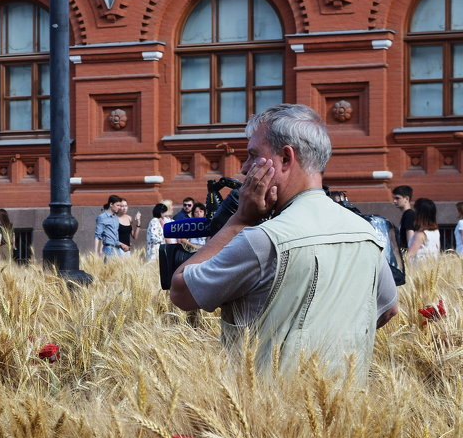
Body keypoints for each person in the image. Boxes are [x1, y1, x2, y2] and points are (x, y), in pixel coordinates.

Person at [170, 104, 397, 382]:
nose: (243, 168)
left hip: (268, 414)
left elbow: (181, 291)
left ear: (286, 158)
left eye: (253, 155)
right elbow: (388, 309)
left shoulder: (263, 239)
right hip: (348, 410)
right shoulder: (367, 233)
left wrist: (240, 220)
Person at [406, 197, 441, 263]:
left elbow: (409, 255)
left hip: (418, 269)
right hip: (431, 268)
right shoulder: (436, 231)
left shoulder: (420, 234)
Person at [391, 185, 415, 251]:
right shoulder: (407, 214)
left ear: (406, 199)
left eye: (397, 198)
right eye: (394, 198)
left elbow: (410, 238)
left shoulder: (409, 214)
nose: (394, 201)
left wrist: (409, 256)